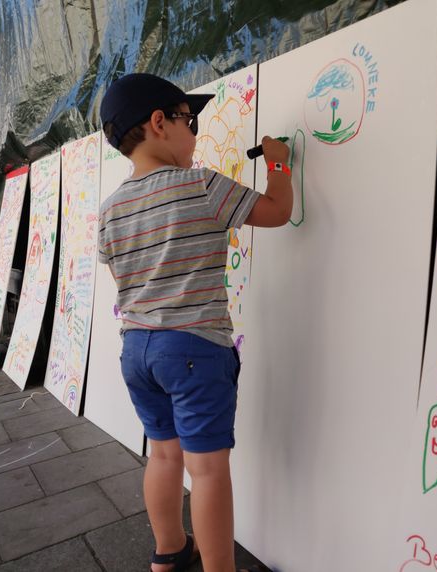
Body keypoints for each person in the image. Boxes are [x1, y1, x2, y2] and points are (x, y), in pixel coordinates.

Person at [98, 73, 293, 572]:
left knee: (163, 457)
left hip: (137, 351)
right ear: (159, 123)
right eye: (191, 120)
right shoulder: (199, 185)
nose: (197, 132)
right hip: (192, 349)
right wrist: (278, 164)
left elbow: (113, 261)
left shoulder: (110, 209)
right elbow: (276, 211)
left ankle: (168, 553)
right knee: (206, 472)